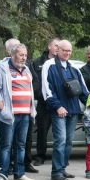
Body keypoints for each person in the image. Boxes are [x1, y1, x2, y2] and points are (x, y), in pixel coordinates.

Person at [41, 39, 89, 180]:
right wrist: (57, 106)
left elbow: (83, 89)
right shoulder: (49, 66)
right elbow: (47, 90)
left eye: (69, 50)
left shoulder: (74, 67)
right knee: (60, 140)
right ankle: (56, 172)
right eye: (64, 50)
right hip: (58, 111)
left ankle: (62, 168)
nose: (67, 53)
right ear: (58, 50)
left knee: (68, 141)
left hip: (73, 110)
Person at [0, 42, 37, 180]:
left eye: (25, 55)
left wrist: (31, 110)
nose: (24, 58)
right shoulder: (2, 69)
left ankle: (19, 173)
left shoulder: (27, 69)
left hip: (25, 114)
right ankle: (2, 174)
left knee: (21, 145)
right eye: (21, 55)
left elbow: (30, 90)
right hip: (9, 115)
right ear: (12, 54)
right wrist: (2, 108)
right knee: (6, 145)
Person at [32, 38, 60, 166]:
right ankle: (40, 156)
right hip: (43, 103)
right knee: (42, 131)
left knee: (59, 132)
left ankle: (59, 158)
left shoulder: (61, 62)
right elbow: (34, 81)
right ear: (49, 47)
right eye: (56, 45)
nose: (57, 48)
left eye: (59, 46)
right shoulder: (37, 62)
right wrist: (41, 95)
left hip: (58, 104)